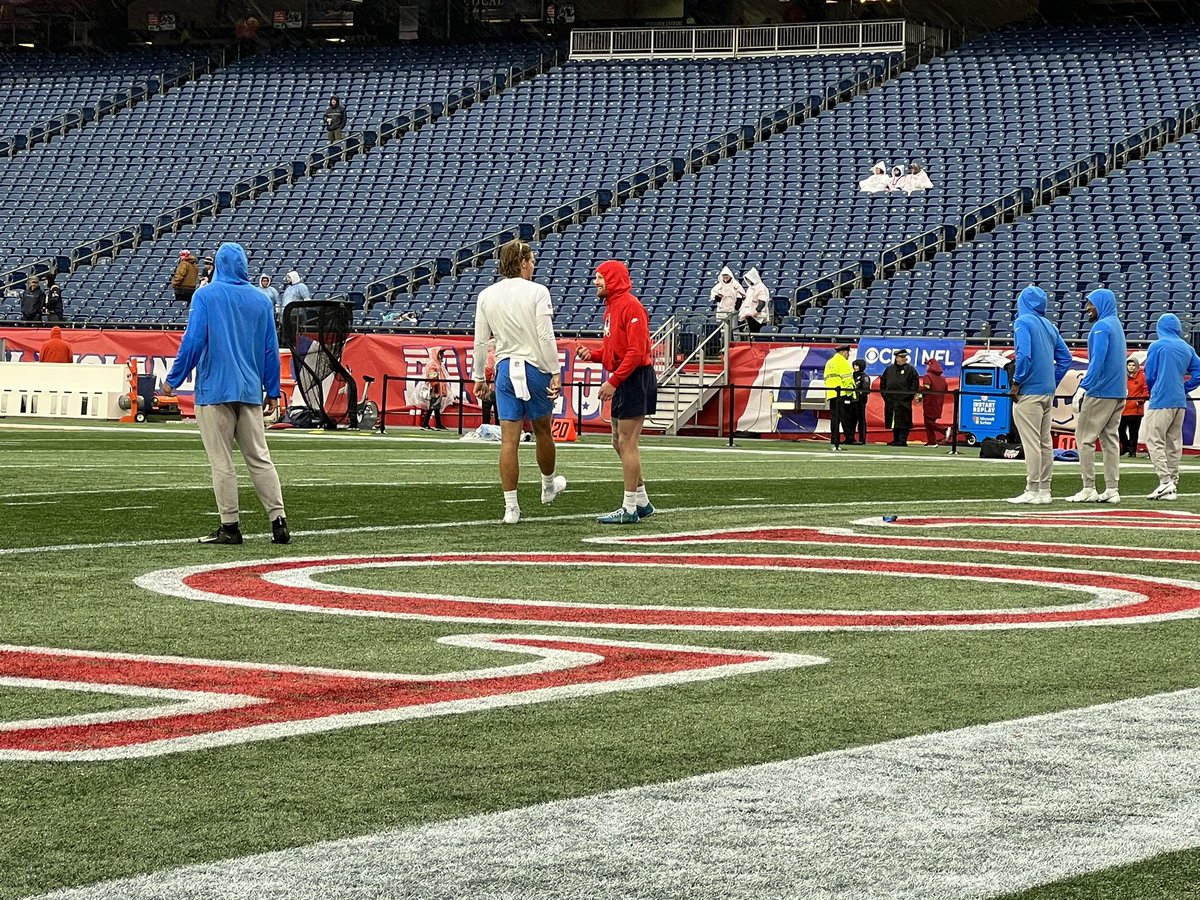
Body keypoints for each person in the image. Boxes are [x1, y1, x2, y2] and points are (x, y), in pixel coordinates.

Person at [163, 242, 288, 545]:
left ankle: (230, 527)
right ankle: (279, 521)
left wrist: (172, 381)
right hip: (249, 389)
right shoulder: (261, 301)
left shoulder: (205, 295)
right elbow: (271, 349)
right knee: (259, 458)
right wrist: (273, 389)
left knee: (222, 461)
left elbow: (193, 342)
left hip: (215, 389)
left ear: (217, 264)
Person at [472, 240, 567, 525]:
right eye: (532, 260)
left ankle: (511, 507)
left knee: (509, 441)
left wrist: (479, 376)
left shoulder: (487, 295)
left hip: (504, 370)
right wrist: (555, 370)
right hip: (534, 368)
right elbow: (546, 336)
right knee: (543, 431)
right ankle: (548, 485)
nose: (534, 265)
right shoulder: (537, 291)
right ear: (523, 262)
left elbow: (480, 341)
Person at [576, 260, 655, 524]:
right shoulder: (612, 307)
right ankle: (641, 501)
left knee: (627, 442)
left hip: (633, 378)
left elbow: (637, 352)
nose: (595, 282)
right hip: (625, 377)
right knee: (617, 441)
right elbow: (617, 351)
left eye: (600, 277)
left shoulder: (630, 305)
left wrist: (614, 381)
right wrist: (595, 355)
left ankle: (629, 508)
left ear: (613, 278)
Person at [1006, 285, 1073, 505]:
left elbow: (1023, 354)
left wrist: (1017, 382)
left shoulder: (1023, 322)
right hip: (1046, 392)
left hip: (1030, 392)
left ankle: (1032, 489)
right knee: (1045, 443)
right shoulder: (1049, 325)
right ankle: (1045, 489)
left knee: (1031, 443)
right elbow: (1065, 358)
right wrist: (1052, 379)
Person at [1067, 288, 1127, 503]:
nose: (1088, 308)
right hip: (1118, 392)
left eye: (1091, 303)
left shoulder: (1101, 327)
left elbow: (1097, 361)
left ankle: (1089, 487)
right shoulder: (1116, 325)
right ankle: (1112, 489)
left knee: (1084, 439)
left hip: (1100, 392)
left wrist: (1084, 387)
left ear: (1101, 303)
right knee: (1111, 440)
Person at [1141, 313, 1200, 501]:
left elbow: (1150, 374)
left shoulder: (1157, 346)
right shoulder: (1187, 347)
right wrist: (1185, 387)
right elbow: (1198, 372)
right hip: (1180, 401)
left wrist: (1153, 391)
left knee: (1154, 440)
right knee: (1174, 442)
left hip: (1161, 399)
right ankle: (1173, 482)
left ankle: (1165, 481)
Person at [880, 349, 919, 446]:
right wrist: (886, 396)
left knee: (904, 420)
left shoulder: (910, 370)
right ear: (896, 358)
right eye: (902, 357)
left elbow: (914, 385)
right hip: (891, 400)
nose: (904, 359)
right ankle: (896, 439)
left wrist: (907, 396)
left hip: (904, 400)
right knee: (894, 420)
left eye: (905, 357)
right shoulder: (889, 369)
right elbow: (883, 383)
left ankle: (902, 439)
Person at [823, 343, 856, 449]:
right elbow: (847, 379)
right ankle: (849, 438)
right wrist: (850, 392)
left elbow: (826, 378)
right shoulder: (843, 362)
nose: (848, 355)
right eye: (847, 353)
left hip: (831, 393)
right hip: (843, 393)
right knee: (846, 417)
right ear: (843, 352)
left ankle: (835, 438)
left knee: (835, 418)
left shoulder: (829, 362)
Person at [1120, 357, 1147, 457]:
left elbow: (1146, 391)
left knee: (1133, 432)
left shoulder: (1142, 377)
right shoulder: (1122, 376)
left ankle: (1132, 451)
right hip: (1123, 409)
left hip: (1136, 410)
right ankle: (1126, 447)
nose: (1131, 367)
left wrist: (1139, 401)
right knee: (1120, 430)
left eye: (1133, 365)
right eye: (1129, 365)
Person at [420, 347, 451, 431]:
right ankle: (425, 423)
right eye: (441, 353)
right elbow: (432, 376)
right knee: (433, 405)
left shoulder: (437, 363)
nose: (442, 355)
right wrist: (435, 385)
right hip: (434, 388)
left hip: (437, 387)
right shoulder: (433, 363)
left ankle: (437, 424)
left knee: (436, 406)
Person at [919, 357, 948, 446]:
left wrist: (918, 389)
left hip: (929, 402)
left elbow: (927, 387)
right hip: (939, 403)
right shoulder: (943, 379)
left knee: (928, 422)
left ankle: (944, 429)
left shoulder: (928, 376)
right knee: (929, 422)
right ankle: (932, 441)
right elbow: (946, 390)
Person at [740, 268, 770, 334]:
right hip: (750, 315)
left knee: (758, 333)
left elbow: (762, 301)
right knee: (752, 333)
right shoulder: (750, 288)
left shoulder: (761, 287)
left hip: (758, 315)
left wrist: (756, 311)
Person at [851, 358, 871, 444]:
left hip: (860, 401)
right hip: (851, 400)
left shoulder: (865, 377)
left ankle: (862, 439)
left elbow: (866, 389)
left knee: (861, 420)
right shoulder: (851, 376)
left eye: (857, 365)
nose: (855, 367)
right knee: (851, 420)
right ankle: (850, 438)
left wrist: (861, 396)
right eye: (854, 365)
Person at [479, 338, 498, 426]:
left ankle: (486, 428)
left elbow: (488, 370)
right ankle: (499, 428)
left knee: (486, 408)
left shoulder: (489, 356)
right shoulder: (500, 355)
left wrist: (484, 384)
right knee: (498, 410)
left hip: (490, 386)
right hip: (499, 386)